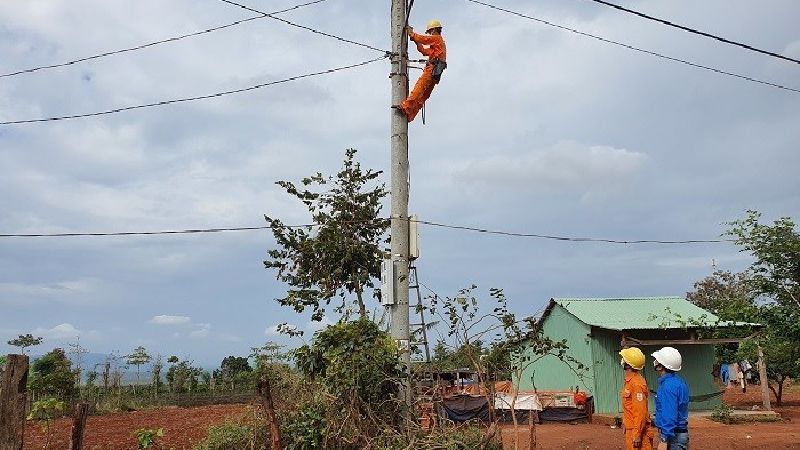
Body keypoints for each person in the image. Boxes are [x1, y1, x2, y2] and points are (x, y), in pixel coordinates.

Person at [398, 19, 447, 122]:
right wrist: (415, 39)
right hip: (435, 74)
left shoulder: (437, 38)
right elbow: (423, 51)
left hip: (432, 70)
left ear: (434, 30)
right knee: (423, 96)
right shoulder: (438, 46)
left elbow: (424, 39)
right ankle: (410, 115)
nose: (430, 34)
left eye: (430, 32)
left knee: (419, 89)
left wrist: (412, 34)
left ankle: (406, 107)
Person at [652, 347, 690, 450]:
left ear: (661, 366)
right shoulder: (679, 382)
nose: (655, 362)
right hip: (678, 433)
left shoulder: (667, 386)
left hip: (672, 436)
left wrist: (664, 439)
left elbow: (669, 414)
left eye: (657, 360)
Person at [619, 347, 654, 450]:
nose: (622, 361)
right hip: (632, 429)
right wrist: (626, 423)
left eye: (624, 359)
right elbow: (629, 407)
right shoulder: (630, 381)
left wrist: (637, 434)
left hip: (638, 431)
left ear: (628, 365)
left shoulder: (636, 384)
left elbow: (640, 412)